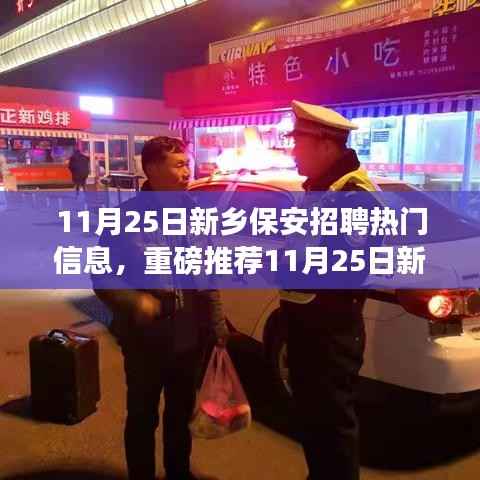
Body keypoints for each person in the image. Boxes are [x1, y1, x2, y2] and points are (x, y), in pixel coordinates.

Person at [93, 136, 228, 480]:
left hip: (189, 337)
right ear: (152, 169)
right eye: (179, 165)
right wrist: (133, 300)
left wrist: (217, 326)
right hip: (145, 339)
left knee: (180, 414)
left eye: (188, 163)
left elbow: (208, 273)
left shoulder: (196, 213)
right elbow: (101, 275)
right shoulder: (124, 217)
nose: (187, 171)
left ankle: (178, 472)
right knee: (143, 415)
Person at [280, 100, 381, 480]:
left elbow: (347, 269)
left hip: (330, 334)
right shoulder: (321, 191)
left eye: (297, 142)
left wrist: (281, 264)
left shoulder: (354, 197)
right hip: (307, 330)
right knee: (314, 423)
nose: (292, 151)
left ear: (325, 145)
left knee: (333, 428)